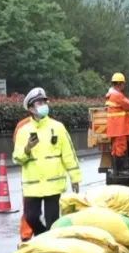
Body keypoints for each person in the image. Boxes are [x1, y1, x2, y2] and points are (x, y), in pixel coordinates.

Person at [13, 88, 81, 237]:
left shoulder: (57, 127)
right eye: (39, 102)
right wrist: (27, 148)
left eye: (44, 101)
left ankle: (50, 247)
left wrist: (75, 178)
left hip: (53, 185)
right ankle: (44, 237)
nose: (43, 105)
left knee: (53, 222)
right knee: (31, 218)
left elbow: (69, 154)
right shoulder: (24, 130)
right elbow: (17, 157)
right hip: (33, 186)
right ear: (31, 108)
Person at [105, 72, 129, 176]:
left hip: (115, 126)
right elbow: (128, 104)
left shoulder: (111, 94)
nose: (124, 86)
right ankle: (120, 170)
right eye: (123, 84)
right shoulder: (117, 95)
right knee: (120, 148)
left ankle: (117, 170)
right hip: (119, 127)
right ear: (120, 84)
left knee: (116, 148)